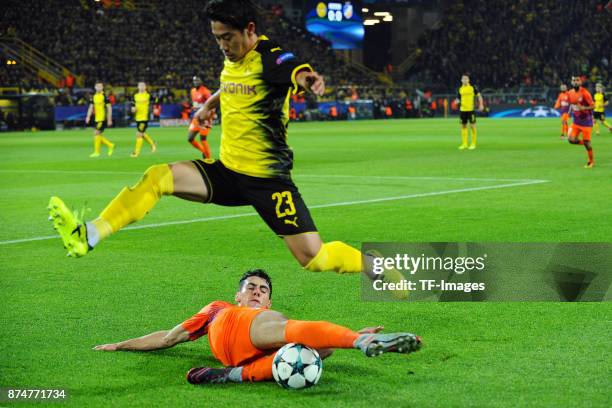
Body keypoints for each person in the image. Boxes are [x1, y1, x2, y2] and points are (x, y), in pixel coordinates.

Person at [47, 0, 406, 293]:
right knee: (158, 177)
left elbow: (294, 69)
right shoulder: (231, 60)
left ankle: (376, 265)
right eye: (217, 37)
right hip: (228, 171)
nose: (222, 44)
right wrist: (209, 104)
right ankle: (89, 235)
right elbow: (233, 84)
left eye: (228, 37)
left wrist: (308, 79)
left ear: (250, 30)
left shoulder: (269, 57)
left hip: (268, 180)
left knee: (313, 258)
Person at [93, 269, 422, 384]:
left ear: (267, 300)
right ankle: (359, 341)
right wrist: (122, 344)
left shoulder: (268, 313)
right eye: (250, 287)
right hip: (237, 331)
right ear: (237, 294)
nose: (256, 291)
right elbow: (167, 338)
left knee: (318, 351)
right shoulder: (218, 309)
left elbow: (309, 342)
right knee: (293, 331)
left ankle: (234, 376)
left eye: (262, 290)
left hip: (253, 358)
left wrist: (337, 340)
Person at [567, 76, 595, 168]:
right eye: (574, 80)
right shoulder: (570, 93)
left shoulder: (585, 93)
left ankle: (591, 162)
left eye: (577, 80)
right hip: (576, 122)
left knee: (587, 143)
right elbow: (572, 105)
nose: (575, 82)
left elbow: (593, 106)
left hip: (586, 122)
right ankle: (586, 143)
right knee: (571, 139)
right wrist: (569, 113)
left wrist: (584, 108)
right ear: (571, 82)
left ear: (580, 82)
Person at [85, 81, 114, 158]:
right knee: (98, 134)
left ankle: (97, 152)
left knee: (96, 133)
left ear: (102, 87)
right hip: (96, 119)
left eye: (100, 86)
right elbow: (91, 107)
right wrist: (88, 116)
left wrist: (109, 119)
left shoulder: (105, 96)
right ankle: (110, 145)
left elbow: (109, 108)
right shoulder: (94, 96)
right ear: (95, 87)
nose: (98, 88)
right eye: (97, 86)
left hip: (102, 118)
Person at [456, 74, 484, 150]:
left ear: (468, 80)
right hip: (462, 110)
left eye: (466, 79)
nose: (464, 80)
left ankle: (473, 143)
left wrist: (481, 104)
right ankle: (464, 143)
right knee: (463, 126)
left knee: (472, 126)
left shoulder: (472, 87)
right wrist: (456, 102)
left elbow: (479, 96)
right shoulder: (460, 89)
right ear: (461, 80)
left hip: (471, 110)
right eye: (463, 79)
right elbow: (458, 99)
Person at [130, 81, 157, 158]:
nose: (141, 87)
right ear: (138, 87)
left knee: (138, 134)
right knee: (142, 134)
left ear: (145, 87)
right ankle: (152, 144)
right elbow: (132, 106)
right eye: (140, 85)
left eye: (143, 86)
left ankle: (136, 152)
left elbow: (156, 100)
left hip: (144, 118)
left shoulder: (148, 95)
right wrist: (133, 109)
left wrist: (154, 106)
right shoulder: (135, 96)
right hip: (137, 118)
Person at [188, 76, 212, 158]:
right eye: (194, 80)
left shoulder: (206, 91)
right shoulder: (193, 91)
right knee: (190, 138)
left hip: (204, 119)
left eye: (197, 80)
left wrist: (209, 117)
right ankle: (204, 151)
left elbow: (212, 104)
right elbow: (195, 104)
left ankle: (208, 159)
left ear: (201, 81)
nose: (195, 82)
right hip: (196, 118)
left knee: (203, 139)